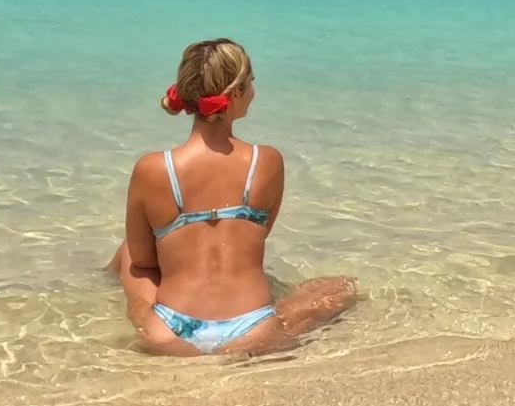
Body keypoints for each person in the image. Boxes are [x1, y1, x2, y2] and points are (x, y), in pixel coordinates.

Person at [113, 37, 354, 357]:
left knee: (129, 252)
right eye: (250, 83)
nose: (253, 93)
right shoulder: (266, 162)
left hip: (170, 333)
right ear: (236, 92)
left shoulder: (153, 168)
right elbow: (257, 236)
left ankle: (135, 308)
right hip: (253, 330)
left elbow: (144, 261)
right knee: (340, 287)